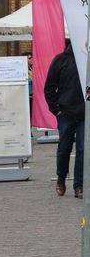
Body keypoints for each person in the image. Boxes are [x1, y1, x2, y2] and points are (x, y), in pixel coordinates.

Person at [45, 39, 84, 199]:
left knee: (82, 149)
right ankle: (61, 178)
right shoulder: (60, 60)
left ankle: (79, 185)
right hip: (65, 113)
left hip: (84, 114)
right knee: (64, 148)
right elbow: (49, 87)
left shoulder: (86, 61)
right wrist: (56, 110)